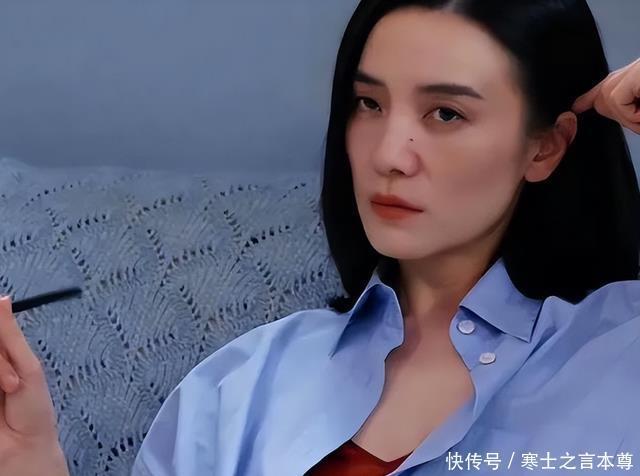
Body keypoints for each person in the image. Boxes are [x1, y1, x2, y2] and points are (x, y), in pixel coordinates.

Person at [1, 0, 640, 475]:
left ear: (546, 147)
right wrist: (29, 458)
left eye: (446, 113)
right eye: (369, 104)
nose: (388, 154)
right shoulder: (245, 383)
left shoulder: (619, 357)